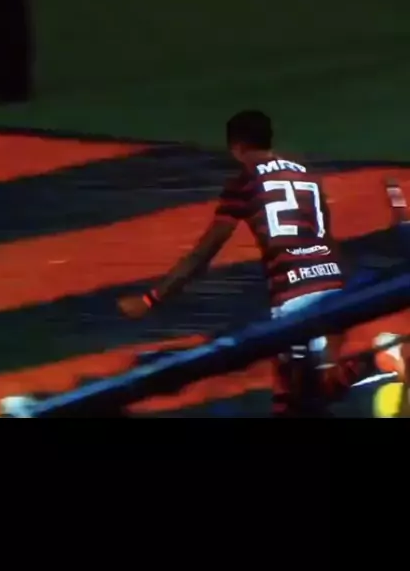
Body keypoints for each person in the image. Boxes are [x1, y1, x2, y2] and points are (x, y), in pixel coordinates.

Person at [118, 110, 407, 415]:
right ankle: (372, 358)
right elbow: (324, 235)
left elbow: (203, 253)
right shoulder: (304, 172)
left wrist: (151, 298)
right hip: (334, 284)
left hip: (295, 296)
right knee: (305, 393)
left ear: (236, 147)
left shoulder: (245, 182)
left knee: (295, 399)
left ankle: (379, 358)